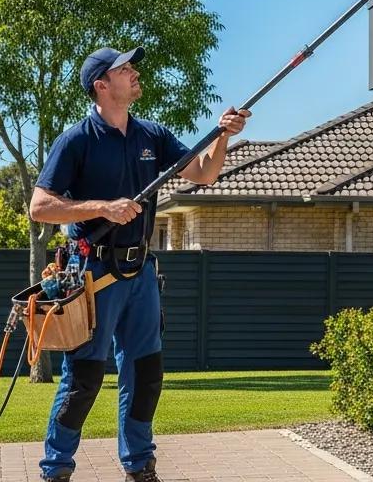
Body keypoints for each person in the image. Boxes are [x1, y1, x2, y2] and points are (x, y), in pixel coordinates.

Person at [29, 45, 249, 482]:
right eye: (123, 69)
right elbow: (40, 206)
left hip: (141, 272)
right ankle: (55, 470)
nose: (133, 74)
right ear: (101, 85)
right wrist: (103, 208)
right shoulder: (76, 140)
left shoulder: (152, 135)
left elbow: (203, 173)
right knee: (84, 378)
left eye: (131, 67)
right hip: (93, 274)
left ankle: (139, 465)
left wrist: (224, 134)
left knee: (146, 371)